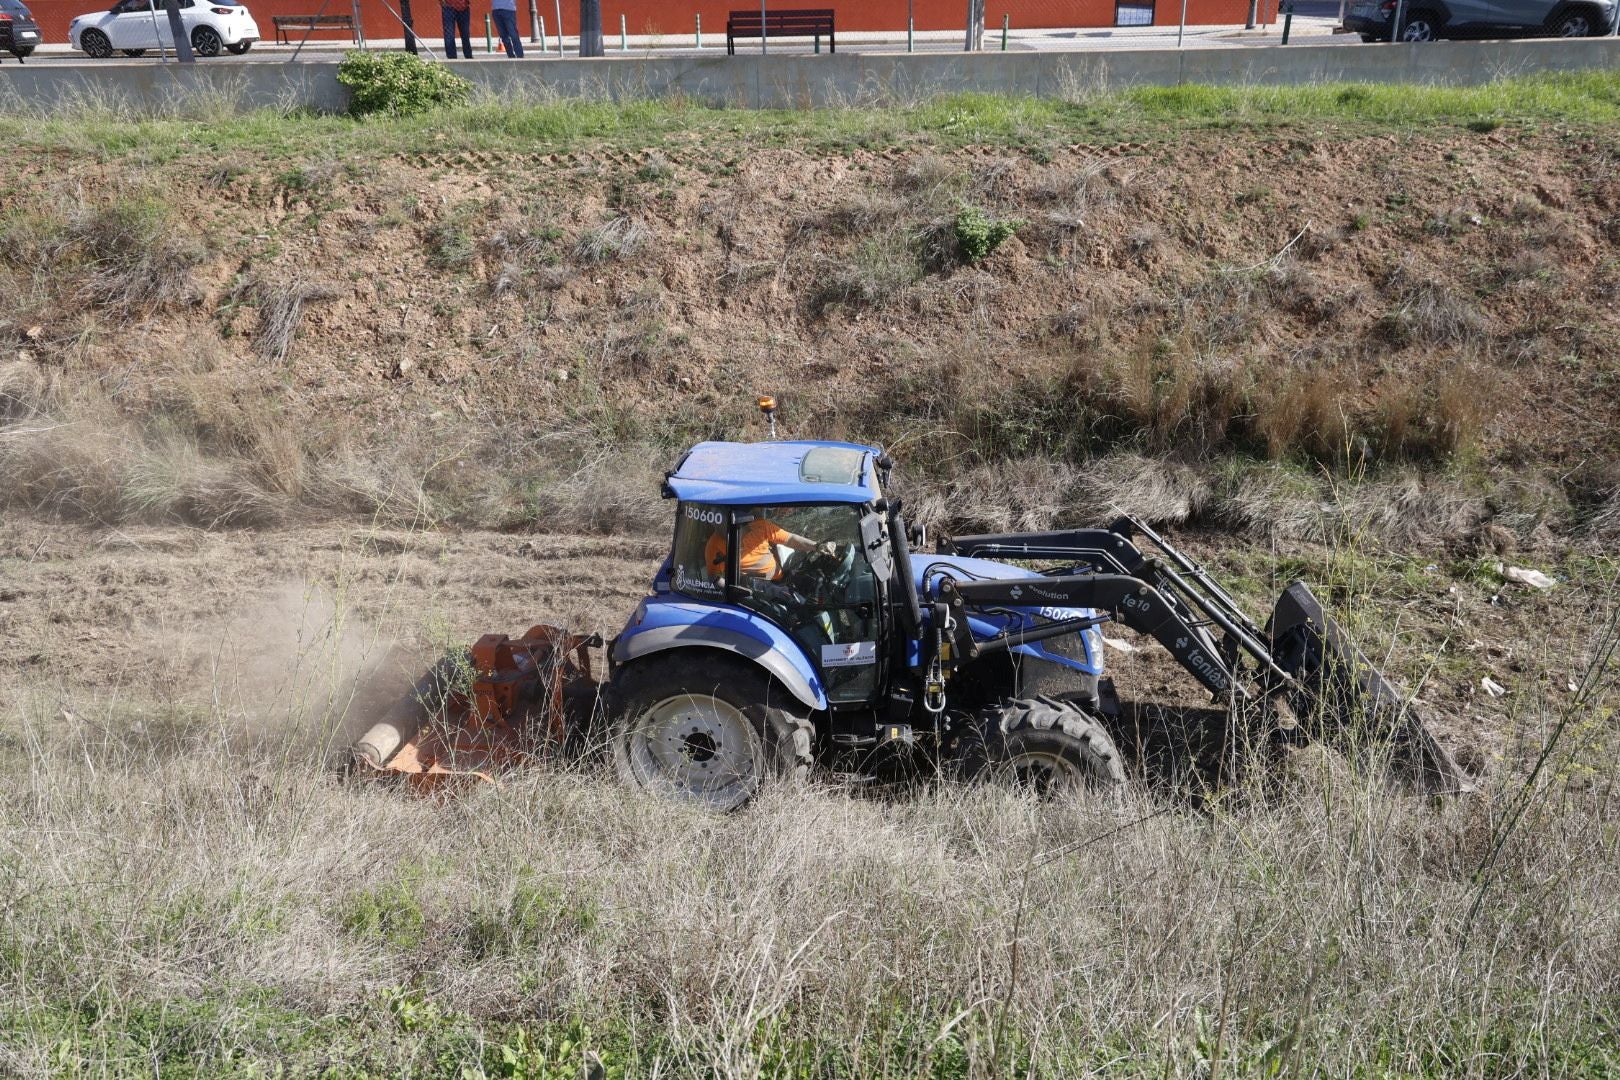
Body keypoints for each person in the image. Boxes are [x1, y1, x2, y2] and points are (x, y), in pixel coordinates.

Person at [705, 514, 837, 583]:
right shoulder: (714, 546)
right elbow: (714, 577)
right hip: (757, 590)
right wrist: (737, 590)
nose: (728, 537)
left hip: (783, 574)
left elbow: (789, 539)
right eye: (725, 534)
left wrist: (817, 546)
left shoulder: (760, 527)